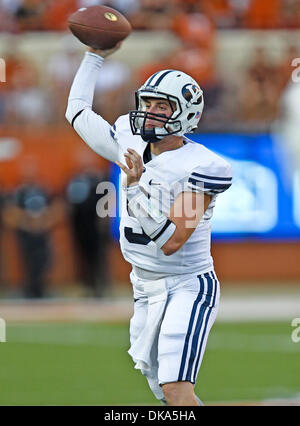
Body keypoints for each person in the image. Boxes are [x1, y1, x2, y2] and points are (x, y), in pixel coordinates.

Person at [65, 42, 232, 406]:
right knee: (163, 392)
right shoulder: (129, 136)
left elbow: (172, 240)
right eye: (147, 103)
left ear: (187, 113)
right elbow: (77, 112)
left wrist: (135, 188)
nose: (150, 113)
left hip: (187, 284)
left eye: (162, 106)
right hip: (144, 284)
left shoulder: (203, 165)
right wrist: (94, 56)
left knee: (176, 389)